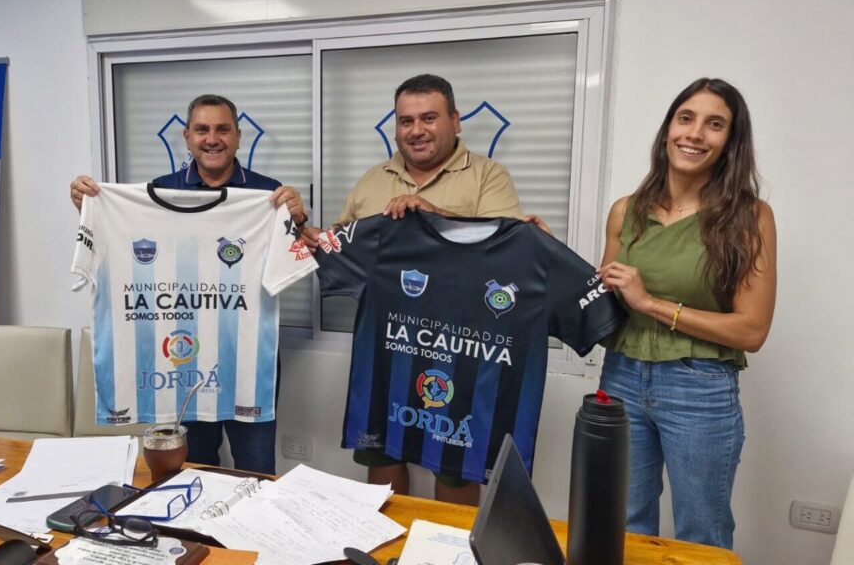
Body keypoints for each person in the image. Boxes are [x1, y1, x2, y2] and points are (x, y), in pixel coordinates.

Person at [307, 74, 540, 506]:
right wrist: (302, 229)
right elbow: (340, 247)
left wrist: (434, 216)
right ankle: (385, 538)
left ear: (455, 120)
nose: (416, 130)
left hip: (461, 349)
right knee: (382, 452)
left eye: (429, 118)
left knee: (455, 468)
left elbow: (506, 253)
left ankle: (450, 543)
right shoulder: (372, 180)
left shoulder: (489, 176)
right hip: (387, 347)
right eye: (406, 121)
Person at [70, 94, 308, 475]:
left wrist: (297, 219)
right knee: (193, 470)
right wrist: (92, 209)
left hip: (247, 367)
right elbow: (116, 241)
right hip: (181, 367)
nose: (212, 139)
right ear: (186, 137)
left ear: (238, 136)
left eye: (222, 129)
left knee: (256, 472)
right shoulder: (157, 194)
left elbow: (300, 257)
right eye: (202, 129)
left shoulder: (268, 196)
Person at [597, 78, 776, 549]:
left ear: (730, 142)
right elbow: (606, 301)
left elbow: (752, 331)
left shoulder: (750, 217)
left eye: (714, 124)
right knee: (624, 527)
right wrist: (542, 257)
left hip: (700, 388)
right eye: (686, 118)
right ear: (667, 130)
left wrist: (650, 303)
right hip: (621, 379)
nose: (695, 133)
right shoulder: (625, 211)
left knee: (701, 534)